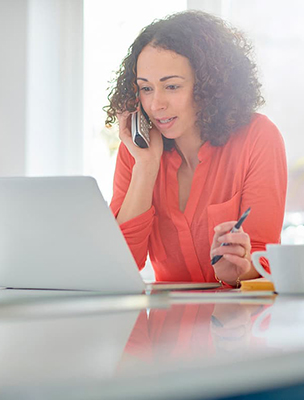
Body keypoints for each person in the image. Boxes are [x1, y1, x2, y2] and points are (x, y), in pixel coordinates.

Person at [103, 10, 287, 287]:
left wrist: (237, 268)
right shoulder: (137, 153)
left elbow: (263, 259)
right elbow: (117, 267)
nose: (156, 105)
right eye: (146, 88)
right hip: (165, 324)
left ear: (209, 87)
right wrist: (146, 167)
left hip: (236, 322)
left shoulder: (258, 138)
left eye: (172, 86)